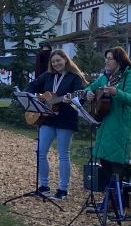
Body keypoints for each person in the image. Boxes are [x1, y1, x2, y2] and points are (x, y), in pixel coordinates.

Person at [27, 50, 88, 198]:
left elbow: (81, 97)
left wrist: (71, 99)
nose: (56, 64)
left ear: (65, 60)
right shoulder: (48, 76)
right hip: (47, 119)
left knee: (63, 154)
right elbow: (31, 86)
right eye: (53, 61)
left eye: (58, 60)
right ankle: (44, 186)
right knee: (40, 151)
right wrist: (33, 96)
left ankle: (63, 189)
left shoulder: (74, 77)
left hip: (66, 120)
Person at [83, 47, 131, 196]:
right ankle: (108, 200)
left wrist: (116, 92)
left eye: (110, 59)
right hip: (105, 125)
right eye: (106, 59)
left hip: (120, 126)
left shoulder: (130, 76)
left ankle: (115, 200)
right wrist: (88, 93)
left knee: (116, 167)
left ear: (119, 61)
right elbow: (89, 87)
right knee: (105, 164)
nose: (106, 62)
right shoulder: (104, 77)